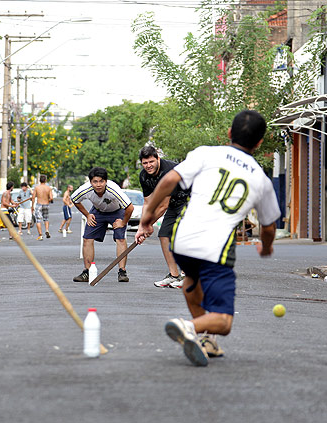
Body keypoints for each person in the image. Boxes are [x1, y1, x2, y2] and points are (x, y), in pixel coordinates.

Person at [136, 110, 281, 366]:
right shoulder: (261, 179)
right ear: (259, 143)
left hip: (181, 240)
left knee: (192, 280)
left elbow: (170, 180)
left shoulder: (205, 153)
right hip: (215, 248)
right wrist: (267, 248)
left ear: (229, 134)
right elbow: (269, 226)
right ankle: (188, 326)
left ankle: (206, 340)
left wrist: (147, 215)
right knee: (224, 321)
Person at [138, 146, 190, 289]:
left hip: (191, 200)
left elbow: (162, 206)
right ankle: (174, 275)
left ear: (158, 159)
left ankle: (187, 276)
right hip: (174, 204)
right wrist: (141, 227)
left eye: (151, 162)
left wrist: (147, 225)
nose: (148, 166)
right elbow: (147, 203)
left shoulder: (168, 171)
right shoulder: (144, 176)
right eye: (145, 163)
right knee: (164, 235)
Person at [72, 167, 134, 283]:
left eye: (101, 181)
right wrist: (87, 215)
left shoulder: (113, 189)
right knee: (87, 238)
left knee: (120, 239)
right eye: (95, 182)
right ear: (90, 182)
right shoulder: (85, 189)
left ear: (106, 181)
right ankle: (87, 272)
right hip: (98, 211)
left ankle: (122, 271)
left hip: (117, 211)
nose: (98, 185)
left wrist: (123, 222)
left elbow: (130, 207)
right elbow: (74, 199)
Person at [32, 175, 53, 240]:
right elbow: (51, 198)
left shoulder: (37, 188)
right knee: (46, 219)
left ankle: (40, 235)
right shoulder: (48, 188)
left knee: (38, 220)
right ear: (45, 180)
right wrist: (48, 200)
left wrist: (32, 206)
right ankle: (47, 230)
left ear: (39, 180)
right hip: (46, 204)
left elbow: (33, 197)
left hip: (39, 204)